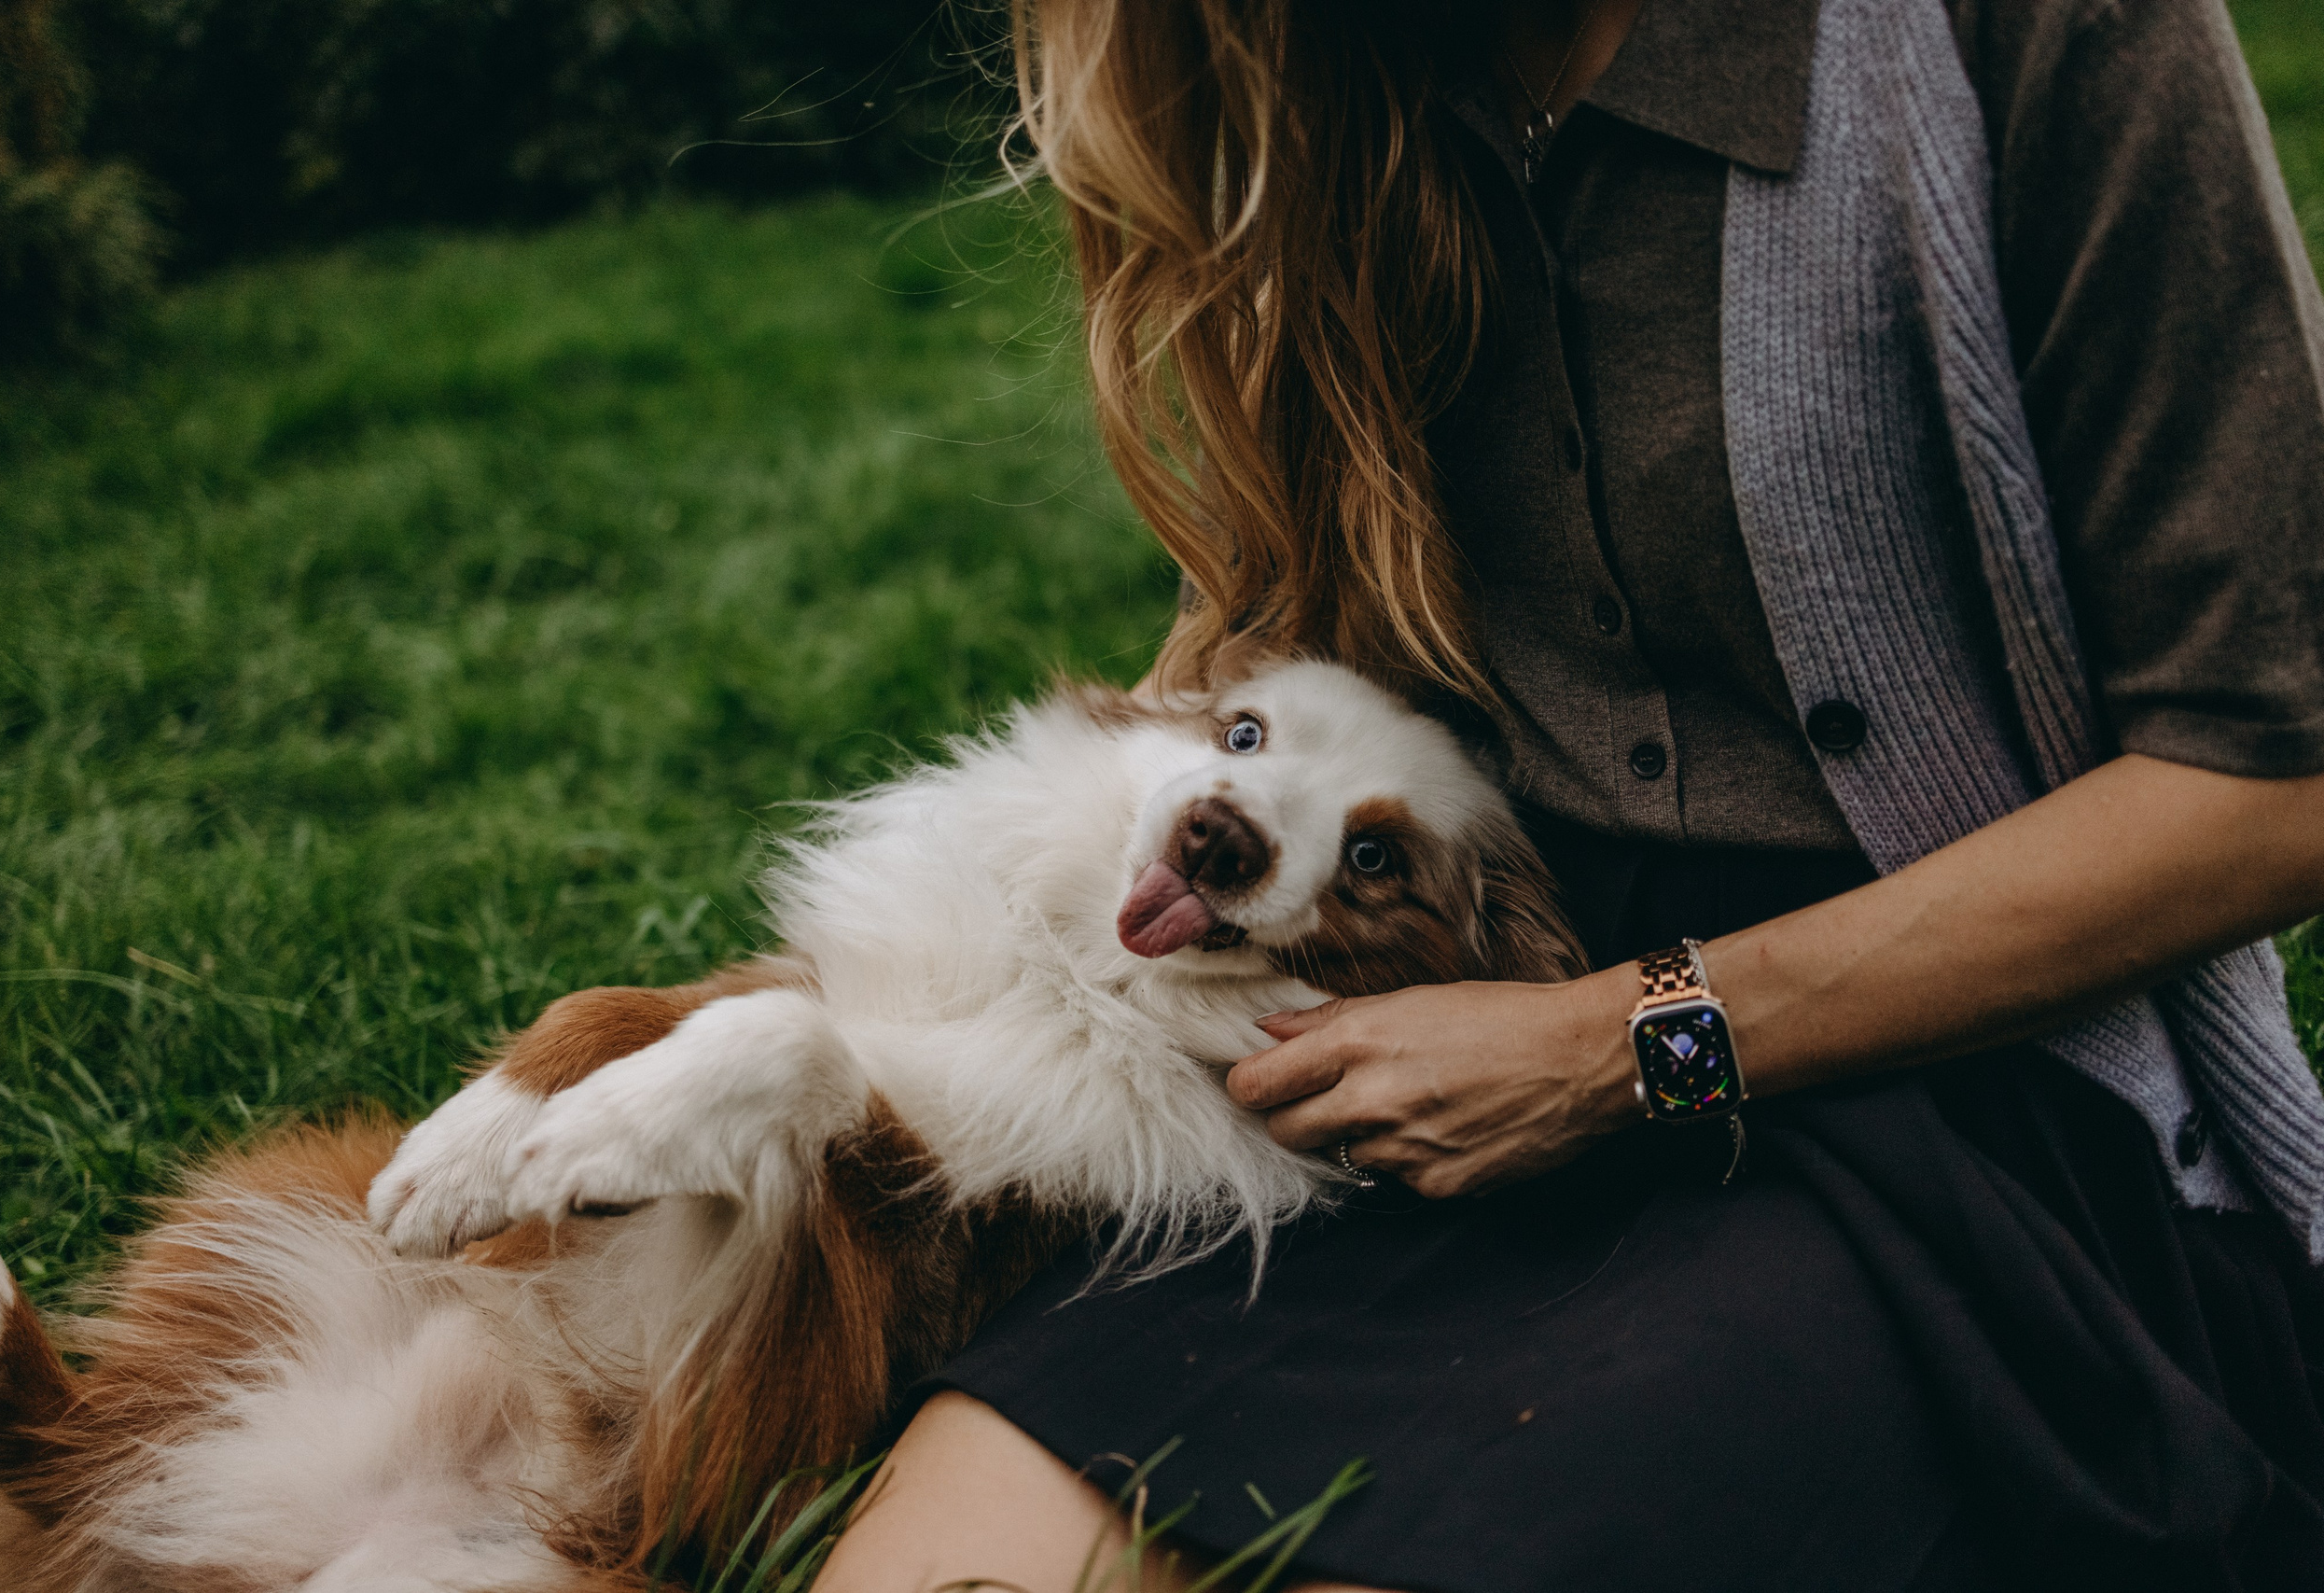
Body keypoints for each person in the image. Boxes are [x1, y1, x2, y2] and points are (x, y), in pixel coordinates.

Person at [816, 0, 2324, 1586]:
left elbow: (2271, 791)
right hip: (1430, 1068)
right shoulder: (1348, 64)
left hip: (1966, 1115)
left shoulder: (2025, 32)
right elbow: (1303, 657)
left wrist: (1617, 1048)